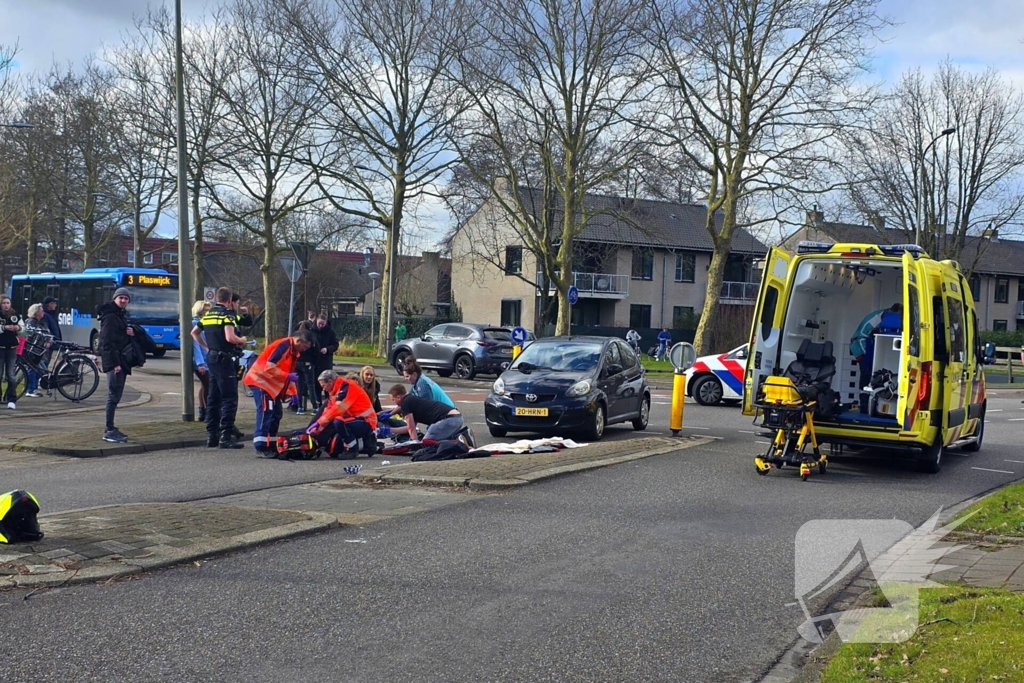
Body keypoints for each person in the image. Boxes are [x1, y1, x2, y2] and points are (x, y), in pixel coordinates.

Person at [192, 287, 249, 449]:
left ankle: (212, 435)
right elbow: (230, 338)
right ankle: (226, 436)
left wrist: (207, 347)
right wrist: (242, 340)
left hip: (212, 358)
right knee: (230, 398)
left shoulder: (209, 314)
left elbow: (194, 333)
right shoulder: (227, 314)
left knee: (213, 397)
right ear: (229, 300)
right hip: (225, 358)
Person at [244, 328, 315, 457]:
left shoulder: (292, 351)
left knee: (276, 413)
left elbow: (289, 374)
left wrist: (293, 392)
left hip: (268, 385)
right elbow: (270, 367)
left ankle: (271, 444)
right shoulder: (283, 346)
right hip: (260, 381)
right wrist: (287, 377)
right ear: (298, 340)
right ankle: (261, 446)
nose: (304, 350)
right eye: (304, 347)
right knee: (266, 411)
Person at [305, 370, 378, 458]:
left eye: (323, 386)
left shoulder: (348, 387)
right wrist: (317, 429)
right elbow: (328, 411)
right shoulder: (336, 390)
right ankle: (365, 445)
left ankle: (353, 449)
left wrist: (319, 423)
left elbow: (337, 409)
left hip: (367, 421)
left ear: (330, 382)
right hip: (356, 420)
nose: (323, 389)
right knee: (333, 450)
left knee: (339, 421)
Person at [97, 288, 136, 443]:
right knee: (113, 396)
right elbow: (106, 342)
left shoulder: (119, 315)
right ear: (115, 299)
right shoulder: (111, 317)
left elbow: (118, 337)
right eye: (121, 298)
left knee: (116, 395)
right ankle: (109, 430)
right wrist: (115, 364)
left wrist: (130, 332)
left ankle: (111, 427)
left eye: (126, 298)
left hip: (120, 361)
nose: (123, 300)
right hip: (115, 363)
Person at [387, 384, 464, 442]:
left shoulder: (405, 403)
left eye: (393, 399)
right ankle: (461, 438)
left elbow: (411, 428)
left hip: (448, 419)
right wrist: (389, 430)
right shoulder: (412, 399)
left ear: (398, 397)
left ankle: (458, 440)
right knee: (442, 439)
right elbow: (409, 428)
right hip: (458, 418)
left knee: (426, 442)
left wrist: (414, 443)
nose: (394, 402)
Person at [21, 304, 50, 398]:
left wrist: (49, 341)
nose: (43, 312)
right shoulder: (30, 322)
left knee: (41, 370)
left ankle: (33, 388)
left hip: (40, 351)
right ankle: (30, 390)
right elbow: (31, 333)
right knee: (33, 369)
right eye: (41, 311)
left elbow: (48, 333)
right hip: (32, 350)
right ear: (36, 312)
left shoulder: (42, 322)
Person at [0, 296, 23, 410]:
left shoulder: (15, 315)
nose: (6, 305)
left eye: (8, 303)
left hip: (11, 348)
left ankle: (11, 399)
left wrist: (18, 328)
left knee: (11, 376)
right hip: (0, 348)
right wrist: (4, 327)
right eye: (3, 303)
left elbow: (23, 329)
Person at [294, 319, 319, 414]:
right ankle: (315, 407)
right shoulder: (310, 337)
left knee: (299, 385)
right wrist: (314, 362)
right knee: (311, 385)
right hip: (308, 363)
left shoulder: (296, 335)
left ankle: (299, 407)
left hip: (297, 362)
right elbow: (316, 350)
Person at [191, 301, 211, 422]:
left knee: (204, 385)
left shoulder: (207, 322)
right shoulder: (194, 323)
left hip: (208, 359)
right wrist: (200, 363)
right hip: (201, 361)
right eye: (205, 309)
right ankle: (208, 412)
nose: (207, 312)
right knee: (208, 385)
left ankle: (202, 411)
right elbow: (195, 344)